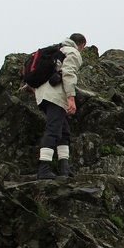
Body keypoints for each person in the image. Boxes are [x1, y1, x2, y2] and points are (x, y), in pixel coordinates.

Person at [22, 33, 87, 180]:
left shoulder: (56, 49)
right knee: (53, 130)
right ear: (82, 45)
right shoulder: (73, 52)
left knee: (64, 131)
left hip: (42, 96)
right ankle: (44, 168)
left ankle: (65, 168)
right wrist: (71, 98)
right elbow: (69, 74)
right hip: (55, 96)